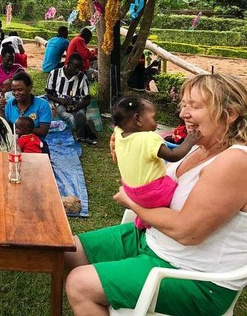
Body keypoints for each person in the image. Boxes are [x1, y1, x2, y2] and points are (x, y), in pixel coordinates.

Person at [65, 73, 247, 316]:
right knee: (70, 252)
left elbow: (187, 232)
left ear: (231, 113)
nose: (183, 113)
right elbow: (152, 179)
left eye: (195, 106)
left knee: (80, 284)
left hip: (196, 278)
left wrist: (132, 203)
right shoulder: (199, 148)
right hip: (152, 240)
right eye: (183, 104)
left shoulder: (235, 161)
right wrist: (130, 157)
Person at [111, 95, 198, 229]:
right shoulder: (148, 138)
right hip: (153, 193)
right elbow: (173, 156)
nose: (156, 123)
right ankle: (153, 219)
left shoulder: (119, 133)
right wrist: (190, 140)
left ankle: (143, 219)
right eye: (154, 118)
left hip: (131, 189)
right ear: (137, 119)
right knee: (180, 191)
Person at [46, 53, 97, 144]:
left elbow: (87, 99)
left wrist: (78, 106)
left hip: (78, 103)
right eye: (75, 67)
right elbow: (49, 94)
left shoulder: (82, 77)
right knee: (69, 117)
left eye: (79, 68)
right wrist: (60, 100)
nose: (77, 70)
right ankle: (86, 128)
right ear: (68, 64)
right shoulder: (54, 74)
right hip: (60, 103)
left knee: (79, 114)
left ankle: (81, 129)